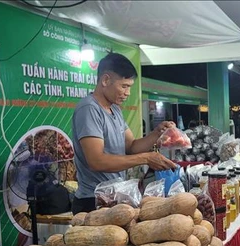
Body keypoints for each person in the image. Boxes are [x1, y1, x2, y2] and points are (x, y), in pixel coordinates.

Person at [71, 53, 176, 214]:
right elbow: (96, 161)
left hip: (114, 197)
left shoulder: (115, 110)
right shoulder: (89, 109)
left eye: (130, 87)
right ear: (105, 80)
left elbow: (132, 146)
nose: (127, 93)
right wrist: (146, 158)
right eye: (124, 86)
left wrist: (157, 133)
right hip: (92, 201)